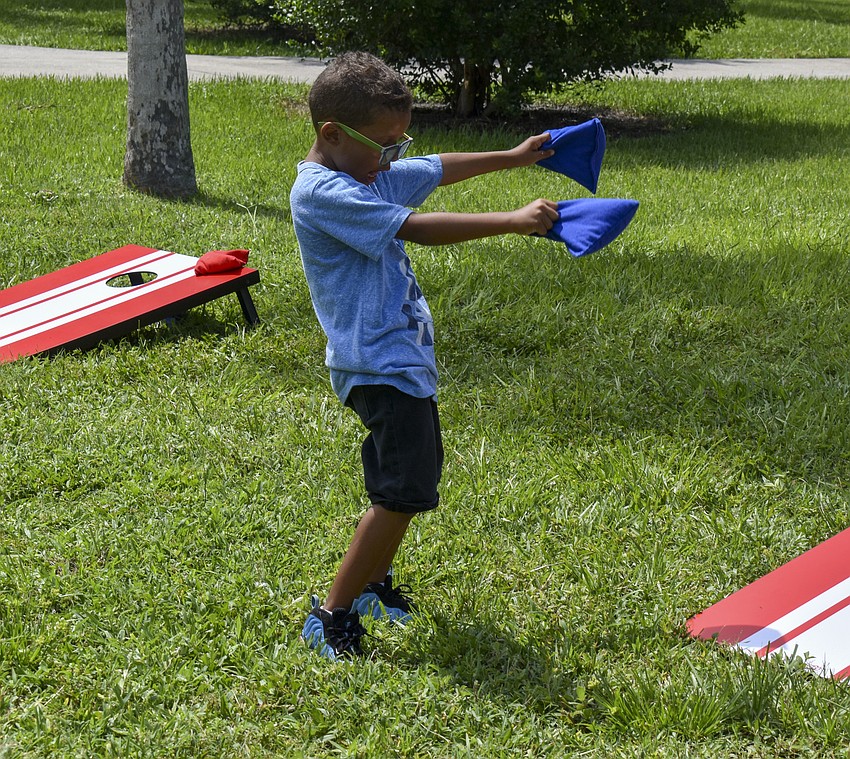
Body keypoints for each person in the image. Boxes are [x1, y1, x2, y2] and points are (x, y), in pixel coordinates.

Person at [290, 51, 558, 660]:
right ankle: (330, 614)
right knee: (399, 493)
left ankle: (371, 587)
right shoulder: (324, 192)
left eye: (398, 142)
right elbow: (415, 225)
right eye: (385, 144)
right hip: (375, 366)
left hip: (401, 361)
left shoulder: (367, 169)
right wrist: (511, 220)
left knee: (408, 486)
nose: (394, 156)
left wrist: (512, 157)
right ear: (331, 134)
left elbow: (435, 169)